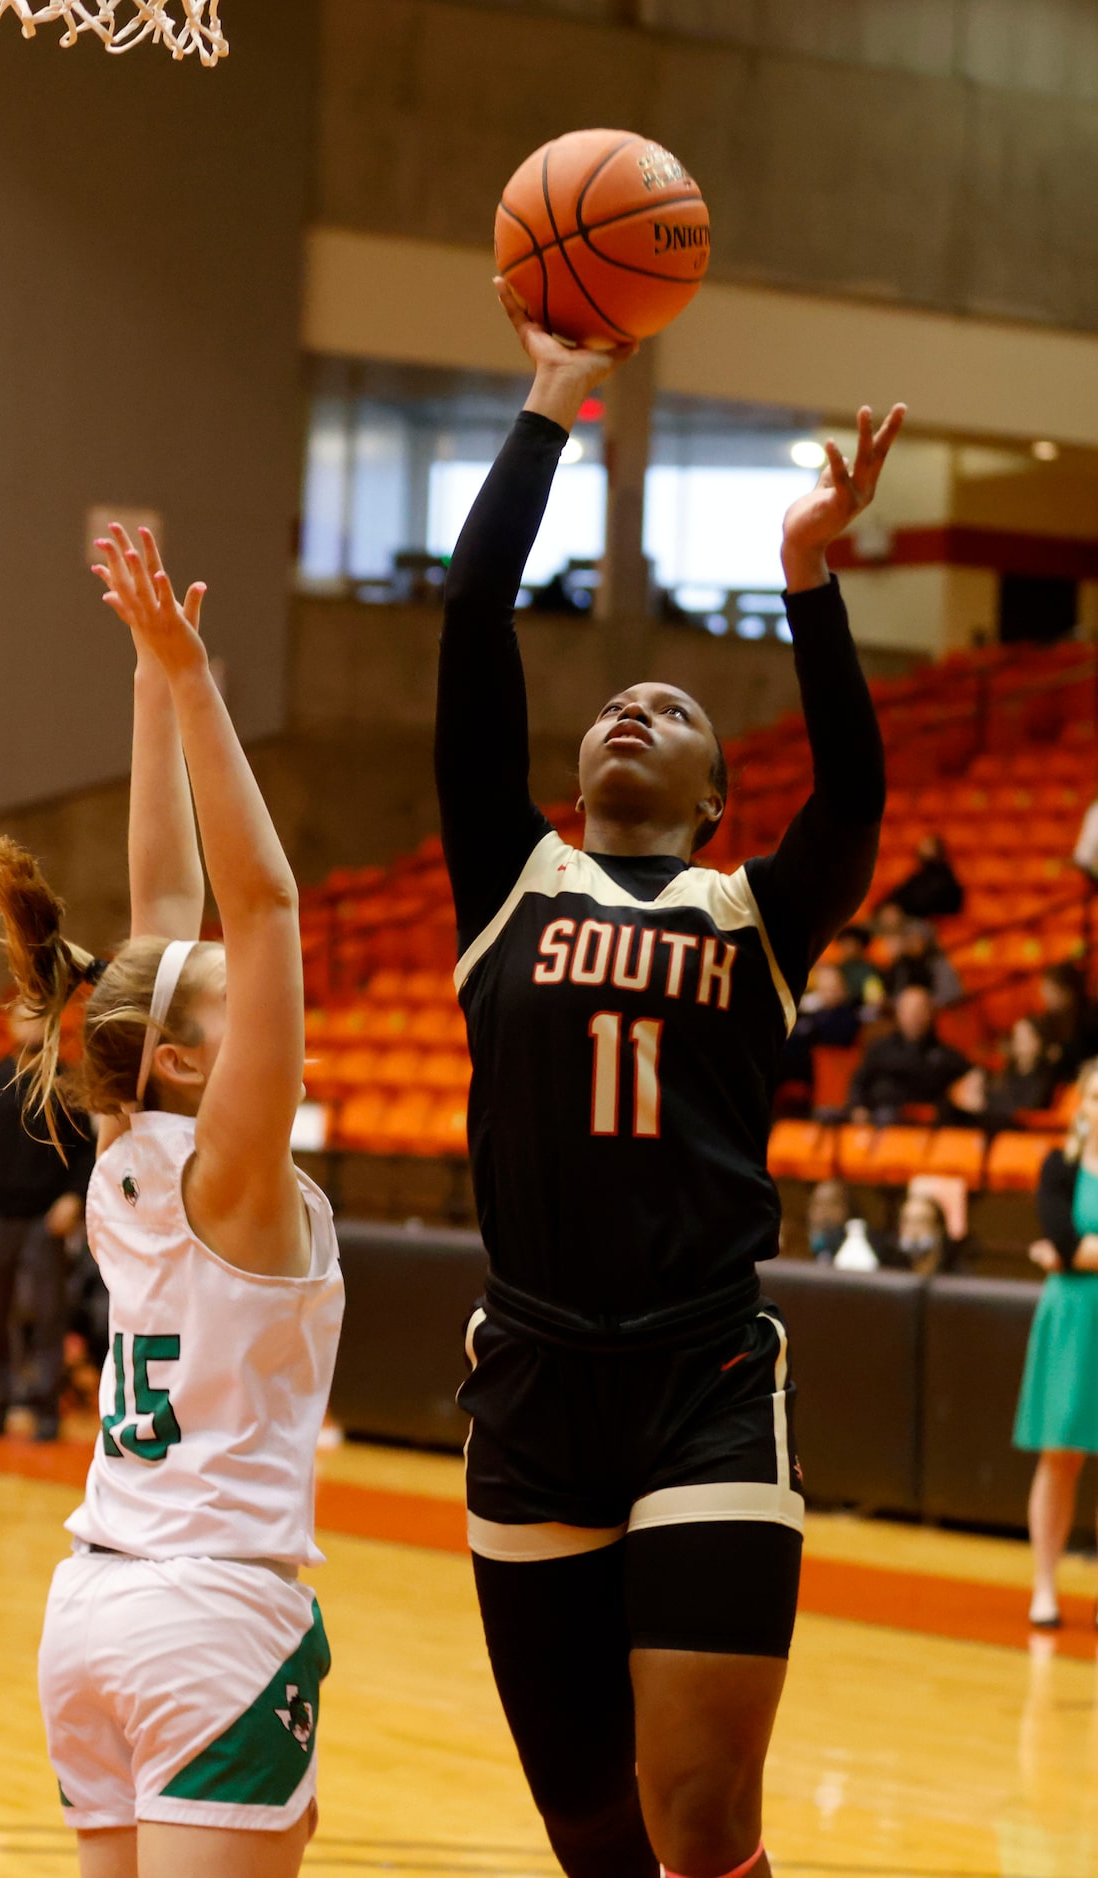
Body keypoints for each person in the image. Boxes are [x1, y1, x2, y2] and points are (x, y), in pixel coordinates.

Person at [436, 277, 902, 1878]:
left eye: (677, 709)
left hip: (705, 1383)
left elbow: (853, 791)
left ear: (712, 801)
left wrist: (808, 580)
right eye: (618, 702)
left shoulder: (758, 915)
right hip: (535, 1392)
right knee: (598, 1837)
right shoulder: (508, 881)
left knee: (703, 1823)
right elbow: (475, 618)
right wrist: (554, 396)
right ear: (578, 776)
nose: (635, 704)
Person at [0, 523, 343, 1878]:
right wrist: (188, 681)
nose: (248, 975)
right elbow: (260, 898)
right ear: (180, 1055)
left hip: (92, 1608)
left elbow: (168, 904)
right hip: (209, 1615)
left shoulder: (127, 1140)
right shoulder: (229, 1167)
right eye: (227, 991)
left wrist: (153, 677)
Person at [0, 1007, 95, 1441]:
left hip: (45, 1215)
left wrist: (73, 1198)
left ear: (52, 1024)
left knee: (47, 1315)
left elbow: (86, 1151)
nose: (28, 1024)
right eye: (21, 1016)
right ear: (8, 1024)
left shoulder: (67, 1080)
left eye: (36, 1016)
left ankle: (45, 1411)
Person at [1012, 1062, 1098, 1628]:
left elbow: (1069, 1249)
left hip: (1076, 1296)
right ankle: (1045, 1588)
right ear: (1082, 1102)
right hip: (1072, 1321)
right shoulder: (1058, 1166)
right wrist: (1068, 1252)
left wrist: (1075, 1251)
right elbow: (1064, 1245)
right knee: (1059, 1454)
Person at [848, 985, 969, 1125]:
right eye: (909, 1011)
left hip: (930, 1126)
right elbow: (859, 1083)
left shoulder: (947, 1056)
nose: (914, 1016)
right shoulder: (879, 1049)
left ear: (931, 1013)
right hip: (882, 1120)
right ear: (899, 1013)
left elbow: (969, 1084)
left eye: (920, 1010)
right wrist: (858, 1107)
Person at [777, 962, 861, 1095]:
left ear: (842, 990)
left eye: (833, 989)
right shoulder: (809, 1013)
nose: (829, 994)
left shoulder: (848, 1015)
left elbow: (835, 1037)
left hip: (824, 1067)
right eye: (824, 989)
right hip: (795, 1061)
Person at [987, 1016, 1060, 1121]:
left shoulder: (1047, 1074)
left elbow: (1029, 1108)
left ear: (1039, 1040)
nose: (1019, 1041)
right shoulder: (1007, 1069)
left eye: (1025, 1036)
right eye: (1017, 1035)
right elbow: (991, 1099)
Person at [879, 833, 964, 920]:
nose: (921, 849)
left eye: (927, 847)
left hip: (923, 921)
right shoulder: (918, 875)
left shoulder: (944, 878)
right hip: (907, 916)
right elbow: (899, 894)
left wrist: (900, 909)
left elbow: (925, 903)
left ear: (938, 850)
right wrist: (889, 907)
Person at [881, 919, 963, 1009]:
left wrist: (924, 1004)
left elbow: (951, 994)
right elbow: (897, 995)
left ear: (926, 942)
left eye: (916, 940)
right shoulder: (902, 965)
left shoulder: (938, 962)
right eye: (909, 940)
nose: (912, 945)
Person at [878, 1192, 957, 1277]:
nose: (913, 1230)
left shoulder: (955, 1266)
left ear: (938, 1228)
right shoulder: (889, 1265)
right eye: (906, 1221)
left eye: (921, 1221)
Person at [834, 924, 883, 1012]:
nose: (846, 947)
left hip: (858, 1011)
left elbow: (875, 998)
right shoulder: (837, 969)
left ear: (860, 946)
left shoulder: (867, 970)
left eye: (850, 944)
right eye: (843, 943)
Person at [805, 1179, 853, 1263]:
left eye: (832, 1204)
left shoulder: (853, 1249)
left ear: (845, 1209)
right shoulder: (796, 1245)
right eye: (818, 1204)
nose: (824, 1211)